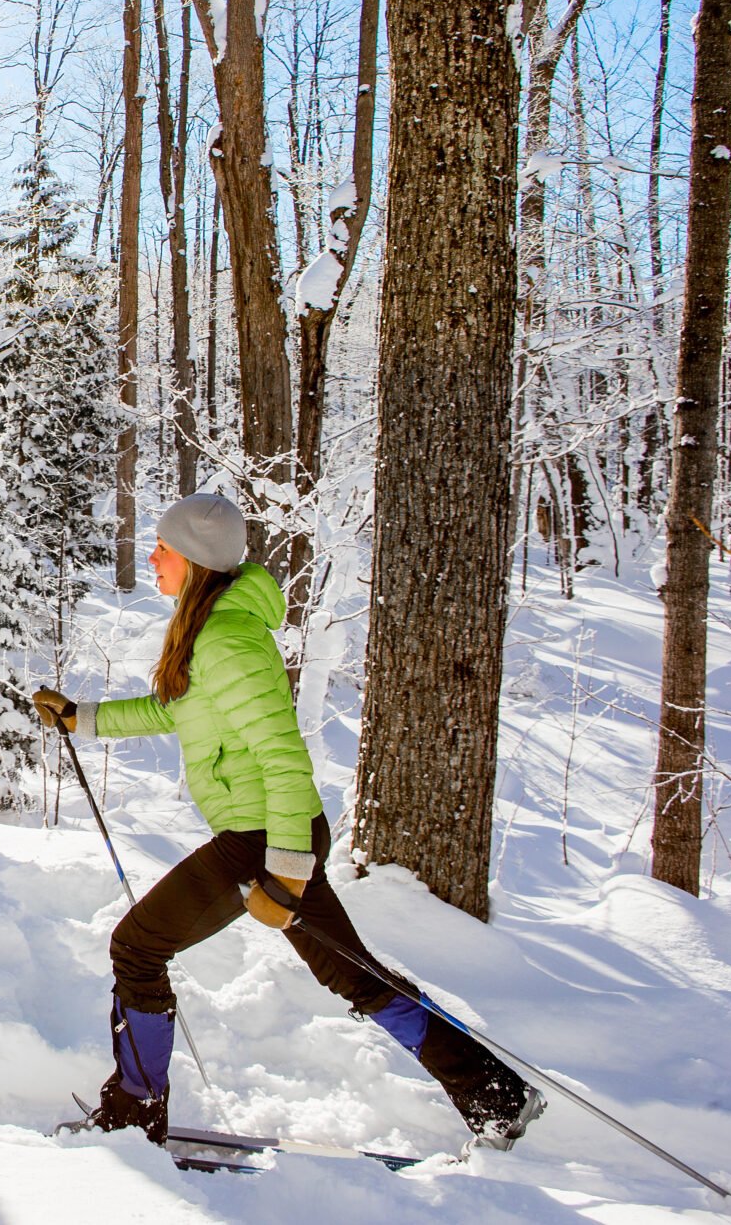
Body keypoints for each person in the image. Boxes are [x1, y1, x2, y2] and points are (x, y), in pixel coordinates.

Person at [33, 492, 543, 1150]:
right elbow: (173, 710)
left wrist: (286, 874)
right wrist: (83, 717)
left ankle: (135, 1109)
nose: (152, 555)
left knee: (137, 946)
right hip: (272, 835)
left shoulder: (227, 642)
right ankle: (491, 1092)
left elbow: (283, 757)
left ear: (192, 561)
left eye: (163, 547)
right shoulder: (211, 634)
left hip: (264, 840)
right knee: (351, 972)